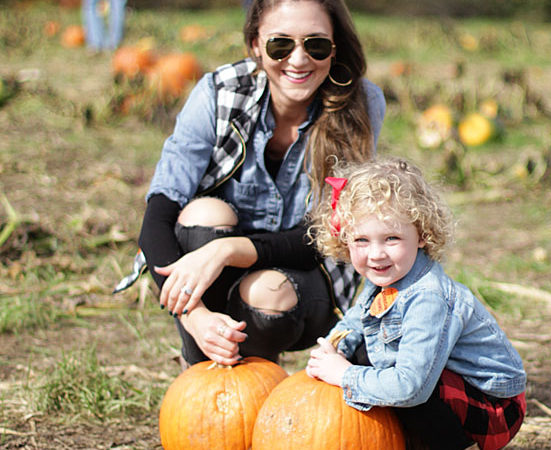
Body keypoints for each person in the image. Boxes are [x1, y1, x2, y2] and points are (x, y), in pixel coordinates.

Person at [114, 0, 386, 368]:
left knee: (265, 292)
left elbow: (322, 235)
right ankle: (203, 366)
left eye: (316, 44)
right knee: (202, 212)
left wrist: (227, 251)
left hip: (301, 281)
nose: (299, 59)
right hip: (211, 286)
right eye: (281, 45)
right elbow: (158, 216)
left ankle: (257, 380)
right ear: (256, 45)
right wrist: (196, 319)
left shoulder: (359, 104)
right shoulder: (219, 93)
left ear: (335, 48)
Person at [305, 157, 527, 450]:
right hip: (436, 383)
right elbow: (354, 323)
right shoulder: (381, 280)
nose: (376, 254)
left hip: (491, 406)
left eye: (391, 238)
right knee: (364, 353)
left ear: (421, 235)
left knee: (387, 376)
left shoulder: (428, 298)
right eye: (361, 240)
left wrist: (344, 374)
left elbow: (412, 387)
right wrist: (331, 351)